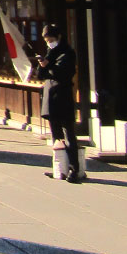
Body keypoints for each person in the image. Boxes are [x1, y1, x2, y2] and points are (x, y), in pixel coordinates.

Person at [38, 23, 80, 182]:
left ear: (58, 37)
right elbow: (41, 75)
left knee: (69, 134)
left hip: (63, 96)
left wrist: (49, 66)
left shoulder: (67, 52)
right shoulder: (50, 51)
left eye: (51, 39)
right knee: (56, 137)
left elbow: (64, 73)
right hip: (50, 96)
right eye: (47, 40)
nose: (49, 42)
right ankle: (59, 168)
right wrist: (42, 65)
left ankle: (74, 169)